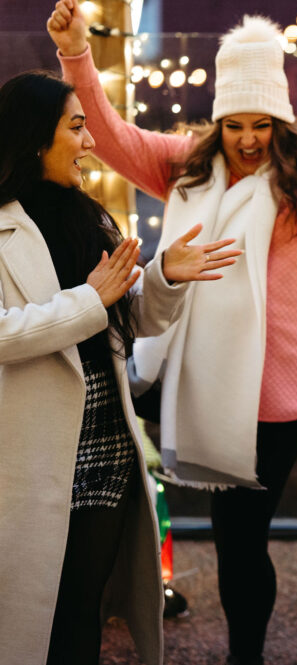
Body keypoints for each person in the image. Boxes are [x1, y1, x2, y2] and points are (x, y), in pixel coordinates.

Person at [48, 3, 297, 663]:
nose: (246, 139)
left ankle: (246, 653)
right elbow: (116, 138)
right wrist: (76, 54)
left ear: (281, 119)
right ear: (218, 120)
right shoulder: (190, 163)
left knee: (241, 534)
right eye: (234, 124)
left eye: (261, 124)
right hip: (195, 377)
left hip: (283, 392)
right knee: (232, 531)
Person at [0, 70, 240, 665]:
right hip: (29, 458)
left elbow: (127, 319)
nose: (89, 143)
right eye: (76, 127)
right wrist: (89, 300)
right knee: (29, 611)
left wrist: (162, 278)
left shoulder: (89, 218)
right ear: (34, 138)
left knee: (83, 605)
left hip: (105, 443)